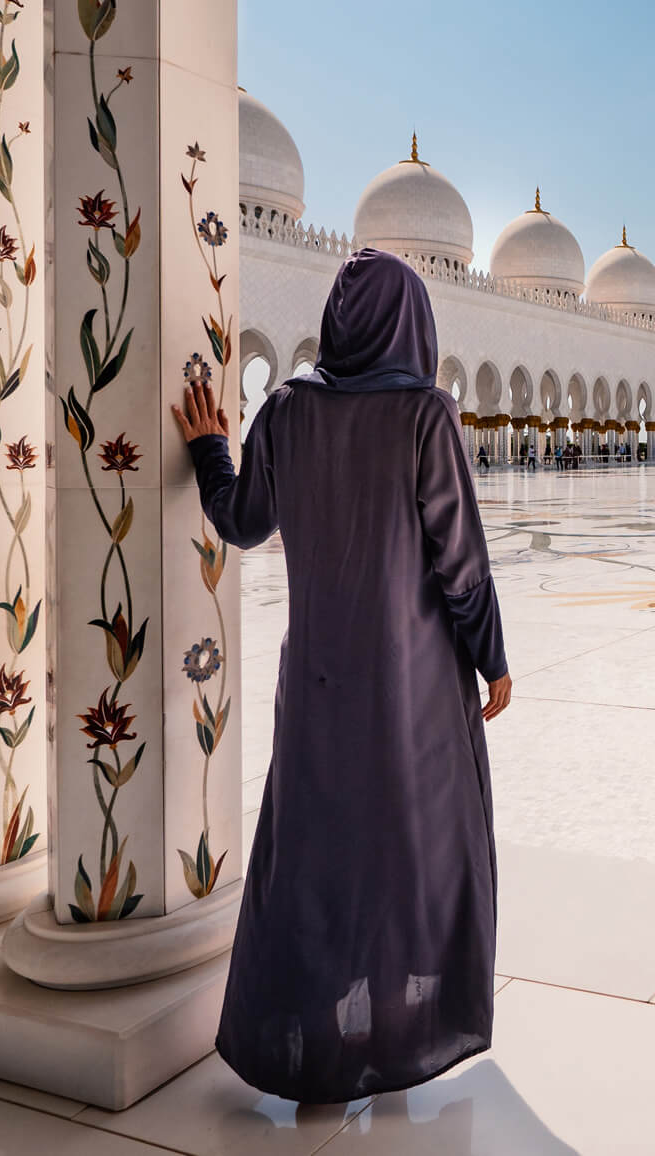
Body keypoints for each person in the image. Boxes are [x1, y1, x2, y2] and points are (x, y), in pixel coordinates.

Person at [173, 247, 511, 1105]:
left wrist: (212, 447)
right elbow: (460, 564)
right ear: (412, 324)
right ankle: (400, 1034)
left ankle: (305, 1045)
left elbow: (242, 522)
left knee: (318, 856)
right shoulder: (425, 414)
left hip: (319, 683)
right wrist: (492, 657)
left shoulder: (286, 410)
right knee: (416, 853)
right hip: (417, 688)